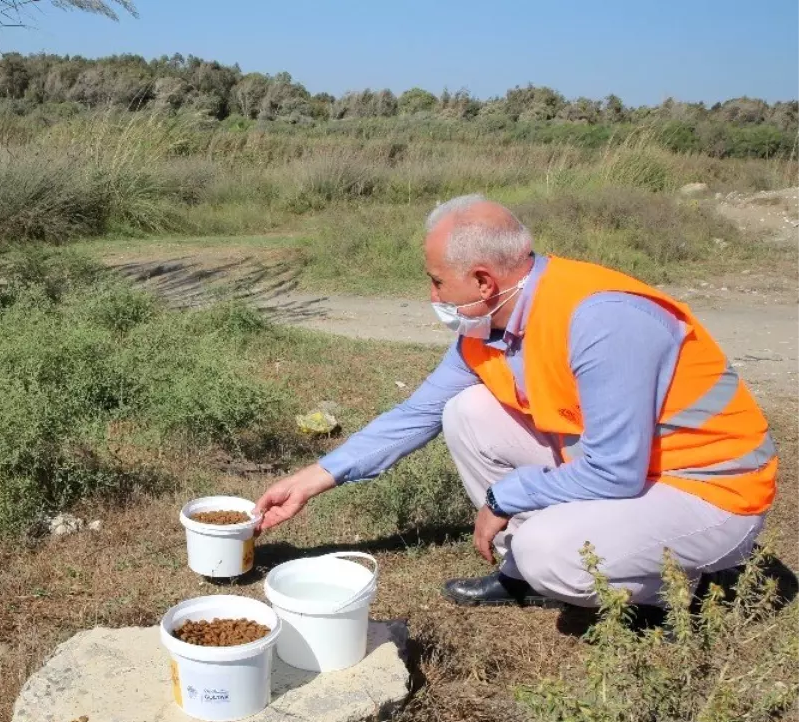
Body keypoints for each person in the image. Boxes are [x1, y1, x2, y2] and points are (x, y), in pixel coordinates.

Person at [253, 194, 777, 614]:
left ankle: (691, 587)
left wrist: (508, 497)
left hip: (710, 490)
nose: (432, 296)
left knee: (549, 551)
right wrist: (310, 480)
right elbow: (416, 415)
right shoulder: (488, 329)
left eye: (437, 281)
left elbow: (615, 472)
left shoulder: (602, 319)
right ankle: (524, 571)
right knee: (466, 410)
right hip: (630, 470)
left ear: (483, 281)